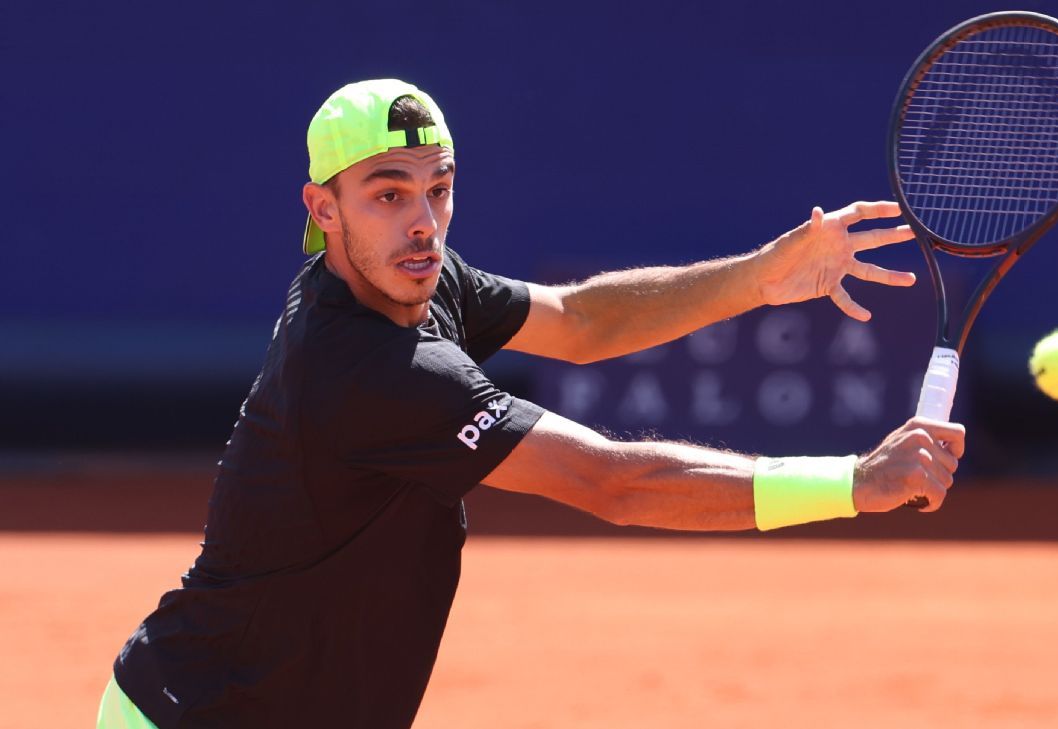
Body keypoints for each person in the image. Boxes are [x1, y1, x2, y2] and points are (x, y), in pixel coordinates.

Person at [99, 78, 965, 729]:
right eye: (389, 193)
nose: (424, 221)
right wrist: (855, 481)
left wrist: (760, 278)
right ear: (324, 208)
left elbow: (582, 320)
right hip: (198, 712)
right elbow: (611, 482)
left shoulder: (412, 278)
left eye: (439, 188)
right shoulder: (370, 368)